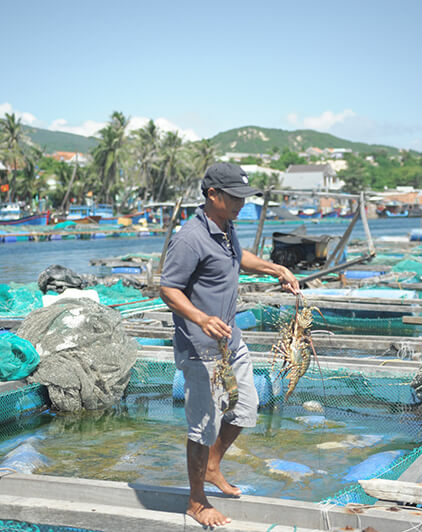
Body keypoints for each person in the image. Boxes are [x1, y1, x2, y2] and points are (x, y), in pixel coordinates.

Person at [160, 162, 299, 527]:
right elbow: (168, 288)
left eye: (244, 196)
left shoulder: (227, 227)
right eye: (235, 197)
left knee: (246, 409)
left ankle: (212, 465)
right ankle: (196, 501)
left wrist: (276, 269)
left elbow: (240, 259)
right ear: (212, 195)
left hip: (230, 342)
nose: (241, 203)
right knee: (203, 426)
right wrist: (201, 318)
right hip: (200, 346)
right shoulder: (190, 237)